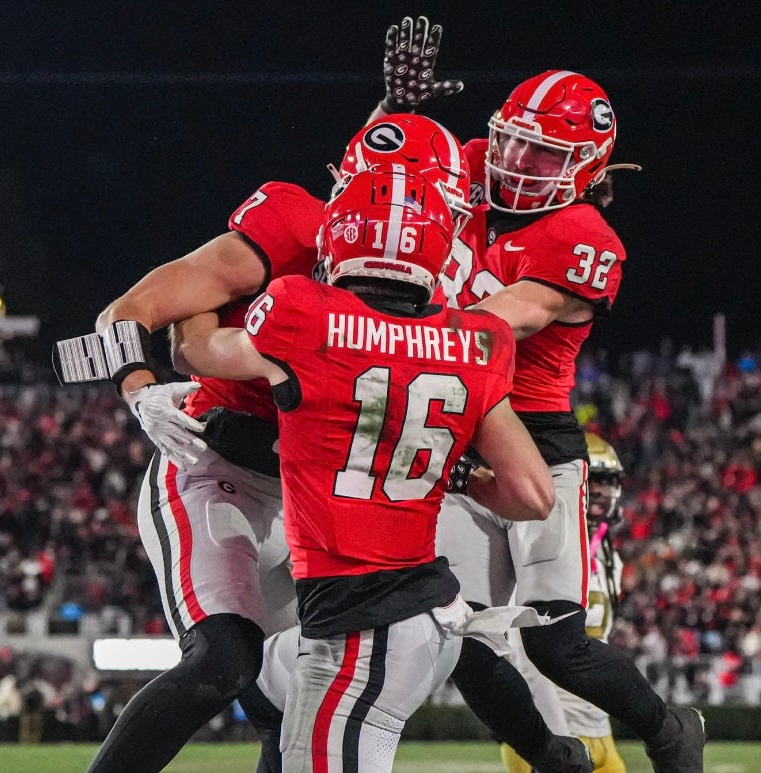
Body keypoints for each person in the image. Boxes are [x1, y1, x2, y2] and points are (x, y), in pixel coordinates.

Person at [57, 113, 474, 773]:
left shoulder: (441, 285)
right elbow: (130, 309)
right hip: (218, 468)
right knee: (224, 662)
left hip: (310, 504)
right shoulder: (290, 229)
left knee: (289, 704)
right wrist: (140, 387)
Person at [366, 17, 705, 772]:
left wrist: (377, 323)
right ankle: (551, 757)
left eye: (542, 152)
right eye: (512, 140)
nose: (516, 162)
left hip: (538, 439)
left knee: (558, 646)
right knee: (454, 629)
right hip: (452, 438)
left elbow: (501, 319)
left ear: (585, 166)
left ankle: (668, 728)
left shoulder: (583, 235)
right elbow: (377, 188)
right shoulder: (475, 163)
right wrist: (395, 115)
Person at [171, 165, 555, 773]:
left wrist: (196, 301)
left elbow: (195, 351)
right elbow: (533, 495)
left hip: (357, 626)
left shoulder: (304, 312)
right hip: (432, 616)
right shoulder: (478, 338)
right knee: (265, 685)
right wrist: (448, 473)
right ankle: (559, 758)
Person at [501, 433, 628, 773]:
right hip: (551, 728)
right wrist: (555, 740)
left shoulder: (608, 554)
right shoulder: (538, 542)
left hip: (598, 728)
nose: (600, 490)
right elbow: (524, 649)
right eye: (594, 478)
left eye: (609, 480)